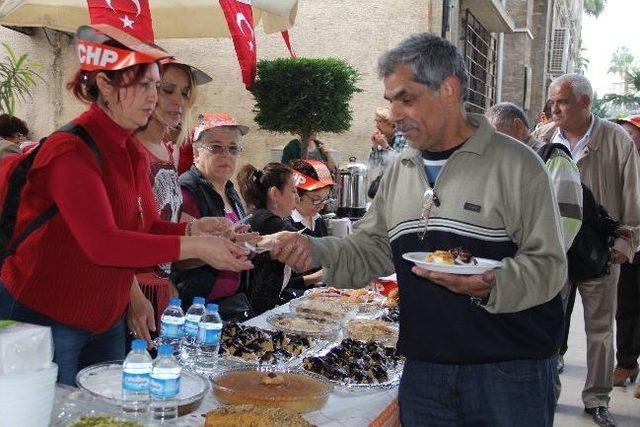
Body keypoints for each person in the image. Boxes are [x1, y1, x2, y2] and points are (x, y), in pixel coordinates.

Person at [266, 33, 566, 427]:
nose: (393, 114)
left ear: (449, 90)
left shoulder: (517, 165)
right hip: (425, 369)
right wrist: (311, 249)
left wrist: (492, 282)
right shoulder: (401, 170)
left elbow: (550, 265)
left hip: (507, 370)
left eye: (405, 99)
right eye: (390, 100)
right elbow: (370, 250)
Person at [0, 24, 253, 386]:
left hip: (104, 319)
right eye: (145, 85)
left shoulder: (129, 150)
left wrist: (195, 228)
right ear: (105, 85)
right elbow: (103, 243)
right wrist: (195, 245)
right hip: (45, 316)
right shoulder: (69, 150)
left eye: (155, 85)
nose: (154, 97)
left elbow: (144, 226)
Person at [535, 73, 640, 427]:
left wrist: (627, 242)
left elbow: (632, 196)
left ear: (585, 102)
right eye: (552, 101)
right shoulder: (545, 137)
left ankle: (597, 399)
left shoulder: (615, 140)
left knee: (600, 331)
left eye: (562, 101)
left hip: (601, 252)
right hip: (555, 250)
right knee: (549, 325)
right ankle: (547, 394)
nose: (554, 108)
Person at [134, 57, 212, 329]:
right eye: (167, 90)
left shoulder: (167, 150)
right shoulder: (130, 148)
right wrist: (133, 298)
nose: (178, 101)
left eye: (185, 93)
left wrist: (204, 229)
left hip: (161, 290)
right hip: (127, 295)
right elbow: (120, 233)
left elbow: (164, 218)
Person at [173, 112, 255, 321]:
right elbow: (178, 256)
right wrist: (223, 245)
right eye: (216, 147)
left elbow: (236, 241)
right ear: (196, 152)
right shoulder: (186, 191)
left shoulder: (230, 191)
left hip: (228, 305)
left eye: (233, 148)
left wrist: (257, 244)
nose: (226, 154)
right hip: (193, 308)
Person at [485, 102, 583, 251]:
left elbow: (565, 225)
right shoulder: (506, 164)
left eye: (494, 136)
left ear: (518, 127)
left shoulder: (555, 160)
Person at [237, 162, 307, 315]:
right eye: (293, 191)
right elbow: (307, 247)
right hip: (254, 314)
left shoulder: (262, 216)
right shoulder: (268, 221)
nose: (298, 199)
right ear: (275, 194)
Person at [610, 115, 640, 399]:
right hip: (632, 245)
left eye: (632, 132)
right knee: (626, 307)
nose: (627, 137)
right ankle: (626, 363)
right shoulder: (621, 162)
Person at [287, 159, 335, 286]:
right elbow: (281, 283)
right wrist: (317, 277)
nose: (321, 207)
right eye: (316, 200)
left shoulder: (318, 220)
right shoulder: (286, 225)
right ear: (296, 193)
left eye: (325, 200)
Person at [368, 107, 409, 198]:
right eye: (376, 122)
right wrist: (374, 146)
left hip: (399, 185)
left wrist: (386, 146)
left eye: (380, 122)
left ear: (390, 123)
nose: (377, 126)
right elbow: (373, 165)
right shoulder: (384, 138)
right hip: (386, 184)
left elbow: (401, 162)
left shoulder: (402, 137)